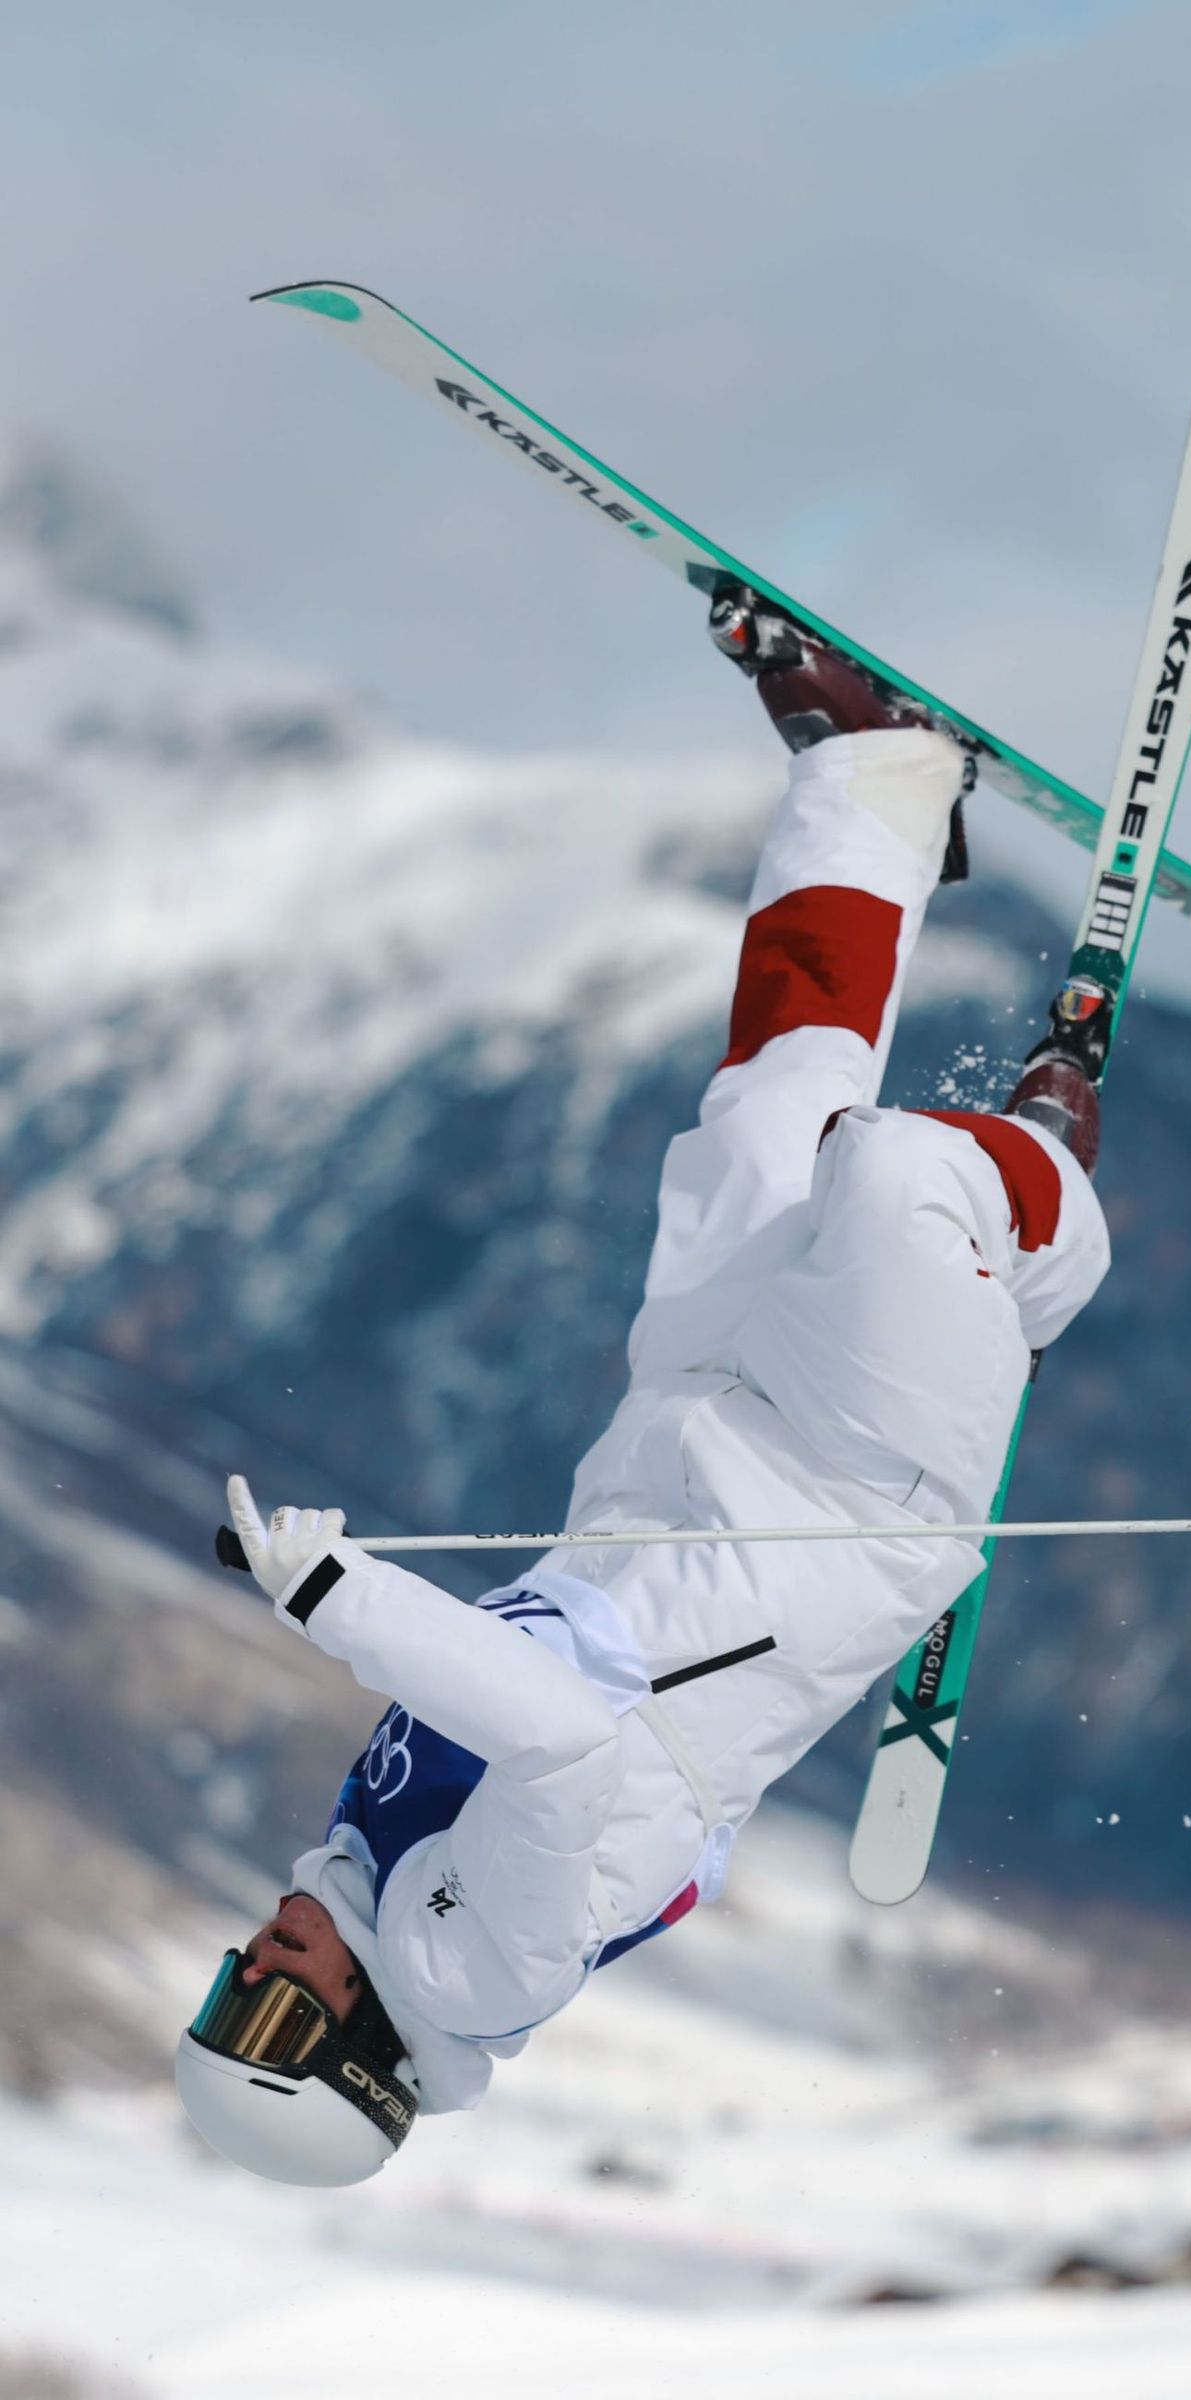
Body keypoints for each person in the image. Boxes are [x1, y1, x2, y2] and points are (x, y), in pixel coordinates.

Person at [175, 598, 1112, 2185]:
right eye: (269, 2020)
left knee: (771, 1104)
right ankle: (1050, 1200)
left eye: (224, 1996)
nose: (256, 1964)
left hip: (691, 1421)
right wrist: (342, 1600)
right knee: (893, 1177)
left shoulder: (367, 1871)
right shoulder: (474, 1972)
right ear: (356, 2066)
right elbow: (562, 1744)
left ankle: (874, 782)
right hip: (844, 1484)